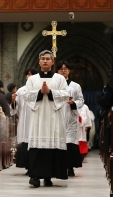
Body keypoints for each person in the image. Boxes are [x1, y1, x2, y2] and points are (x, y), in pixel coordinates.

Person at [24, 50, 70, 187]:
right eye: (42, 59)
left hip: (54, 117)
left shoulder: (59, 79)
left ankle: (48, 176)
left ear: (52, 62)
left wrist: (50, 93)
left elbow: (66, 94)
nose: (45, 61)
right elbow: (26, 95)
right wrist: (39, 93)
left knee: (52, 147)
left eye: (47, 59)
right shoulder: (32, 80)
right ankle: (35, 177)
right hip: (38, 118)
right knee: (37, 147)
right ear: (39, 62)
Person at [57, 61, 84, 177]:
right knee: (58, 143)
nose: (63, 71)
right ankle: (58, 167)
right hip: (57, 117)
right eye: (61, 69)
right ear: (57, 71)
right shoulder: (54, 85)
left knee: (69, 143)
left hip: (70, 117)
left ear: (69, 70)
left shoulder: (75, 86)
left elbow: (81, 100)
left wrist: (73, 103)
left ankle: (70, 167)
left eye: (66, 68)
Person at [10, 68, 37, 174]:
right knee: (25, 143)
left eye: (31, 74)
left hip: (35, 120)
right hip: (25, 121)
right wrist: (13, 102)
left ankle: (34, 167)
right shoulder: (21, 90)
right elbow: (14, 109)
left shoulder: (39, 89)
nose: (29, 76)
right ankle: (27, 166)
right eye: (27, 74)